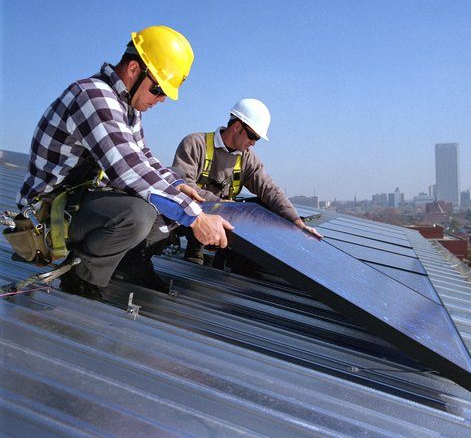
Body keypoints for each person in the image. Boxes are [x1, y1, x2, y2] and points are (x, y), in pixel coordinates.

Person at [17, 25, 233, 299]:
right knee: (139, 214)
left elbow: (144, 158)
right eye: (157, 88)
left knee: (172, 187)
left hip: (77, 200)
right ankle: (82, 278)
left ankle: (127, 261)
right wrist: (195, 217)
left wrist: (179, 187)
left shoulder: (126, 107)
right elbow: (128, 170)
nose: (162, 99)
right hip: (48, 214)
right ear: (133, 69)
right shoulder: (94, 97)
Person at [171, 98, 322, 265]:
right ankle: (195, 249)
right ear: (237, 126)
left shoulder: (247, 158)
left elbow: (269, 189)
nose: (253, 143)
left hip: (226, 219)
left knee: (264, 208)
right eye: (252, 136)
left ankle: (227, 258)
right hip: (193, 217)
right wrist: (222, 204)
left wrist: (297, 222)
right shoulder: (195, 144)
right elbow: (182, 186)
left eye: (257, 138)